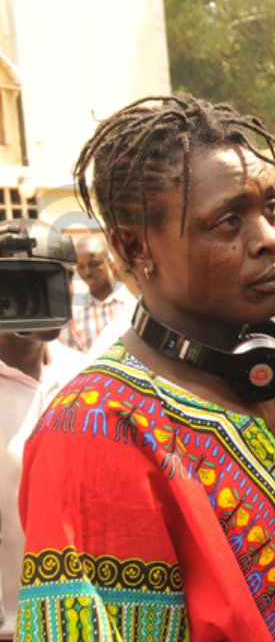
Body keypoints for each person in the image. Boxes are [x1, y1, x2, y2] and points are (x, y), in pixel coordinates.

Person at [17, 95, 275, 641]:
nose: (271, 237)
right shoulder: (94, 431)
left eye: (268, 209)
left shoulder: (268, 368)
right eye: (228, 220)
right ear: (134, 245)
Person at [0, 220, 86, 642]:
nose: (45, 292)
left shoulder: (88, 378)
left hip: (83, 623)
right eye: (23, 280)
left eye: (57, 276)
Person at [59, 232, 135, 353]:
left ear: (109, 263)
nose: (87, 272)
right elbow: (71, 359)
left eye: (94, 264)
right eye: (81, 267)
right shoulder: (75, 315)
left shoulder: (132, 302)